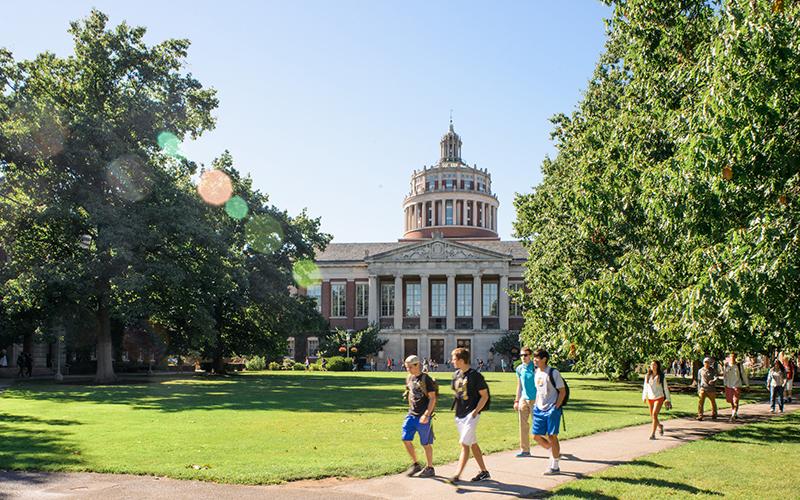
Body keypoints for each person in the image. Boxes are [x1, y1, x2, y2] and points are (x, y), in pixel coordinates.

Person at [447, 347, 491, 484]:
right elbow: (458, 393)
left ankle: (457, 475)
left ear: (461, 360)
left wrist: (476, 411)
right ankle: (484, 472)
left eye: (454, 359)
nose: (452, 361)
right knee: (472, 443)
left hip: (471, 415)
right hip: (459, 415)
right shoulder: (456, 375)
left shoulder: (475, 376)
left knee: (464, 444)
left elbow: (484, 396)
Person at [531, 349, 566, 475]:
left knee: (552, 436)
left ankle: (555, 466)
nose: (534, 360)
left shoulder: (553, 372)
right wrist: (536, 404)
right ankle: (554, 451)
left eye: (537, 358)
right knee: (535, 436)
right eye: (534, 358)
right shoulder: (536, 372)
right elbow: (539, 390)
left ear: (544, 359)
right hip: (539, 408)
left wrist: (556, 406)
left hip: (552, 408)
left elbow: (562, 391)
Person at [401, 355, 437, 478]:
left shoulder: (426, 379)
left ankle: (430, 467)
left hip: (424, 416)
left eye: (410, 367)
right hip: (411, 415)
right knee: (405, 439)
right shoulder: (409, 378)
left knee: (425, 443)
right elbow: (409, 391)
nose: (408, 369)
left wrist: (427, 414)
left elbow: (432, 398)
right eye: (406, 367)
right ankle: (416, 464)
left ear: (417, 365)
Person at [514, 347, 537, 457]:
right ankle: (525, 450)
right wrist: (517, 400)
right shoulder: (519, 369)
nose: (523, 357)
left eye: (525, 355)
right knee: (523, 425)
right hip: (524, 398)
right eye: (521, 355)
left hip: (536, 399)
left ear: (530, 355)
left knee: (538, 426)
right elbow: (519, 385)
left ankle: (551, 446)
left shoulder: (536, 368)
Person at [642, 360, 672, 440]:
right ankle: (660, 426)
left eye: (655, 365)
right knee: (652, 416)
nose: (653, 366)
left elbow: (665, 388)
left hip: (659, 397)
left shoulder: (661, 376)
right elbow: (645, 387)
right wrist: (644, 396)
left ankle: (653, 434)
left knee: (654, 414)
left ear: (657, 366)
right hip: (650, 397)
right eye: (652, 365)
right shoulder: (647, 376)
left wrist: (668, 399)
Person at [723, 352, 749, 421]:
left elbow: (743, 375)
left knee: (735, 401)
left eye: (734, 356)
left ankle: (733, 415)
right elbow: (724, 376)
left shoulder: (738, 365)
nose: (732, 358)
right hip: (728, 385)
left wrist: (747, 384)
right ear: (729, 357)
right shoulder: (726, 365)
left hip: (737, 385)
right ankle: (735, 412)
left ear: (735, 357)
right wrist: (724, 384)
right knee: (731, 401)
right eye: (731, 356)